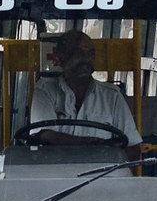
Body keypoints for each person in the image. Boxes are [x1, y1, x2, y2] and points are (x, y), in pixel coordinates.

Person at [29, 30, 142, 160]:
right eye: (77, 53)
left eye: (90, 54)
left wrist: (105, 160)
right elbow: (45, 135)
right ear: (60, 58)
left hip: (101, 175)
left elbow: (133, 147)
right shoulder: (45, 91)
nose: (85, 60)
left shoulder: (112, 96)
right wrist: (94, 145)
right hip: (56, 173)